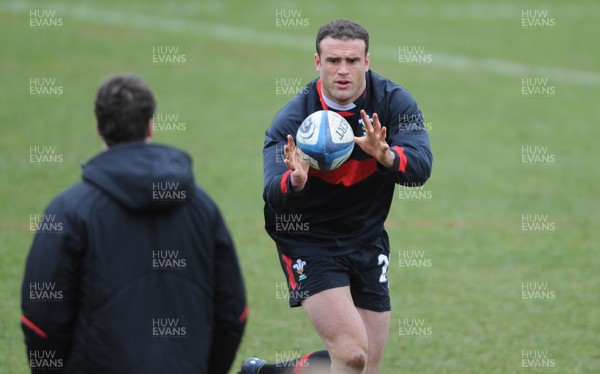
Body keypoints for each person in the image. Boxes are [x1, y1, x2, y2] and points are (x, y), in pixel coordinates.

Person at [21, 74, 247, 373]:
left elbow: (42, 318)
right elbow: (233, 311)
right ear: (151, 125)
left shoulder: (69, 211)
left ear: (98, 128)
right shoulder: (202, 208)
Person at [241, 19, 432, 373]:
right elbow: (273, 194)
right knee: (351, 354)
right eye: (333, 61)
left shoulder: (393, 104)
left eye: (352, 61)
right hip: (309, 240)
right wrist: (296, 181)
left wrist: (386, 155)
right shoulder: (291, 122)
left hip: (366, 237)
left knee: (365, 367)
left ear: (367, 62)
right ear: (317, 63)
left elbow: (421, 168)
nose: (342, 70)